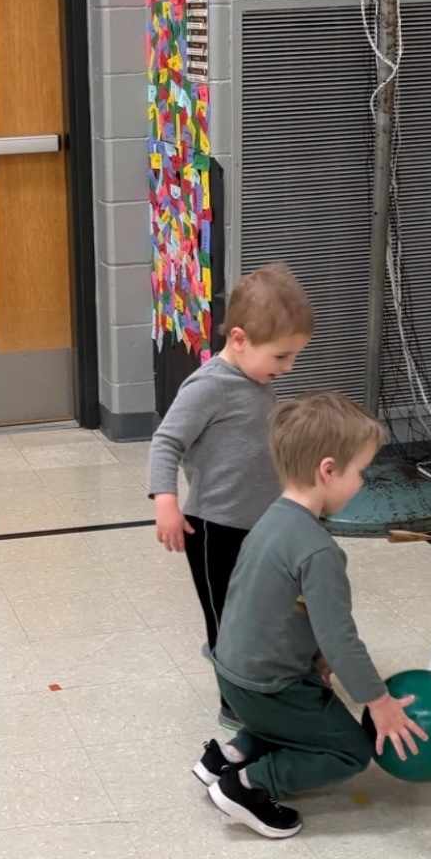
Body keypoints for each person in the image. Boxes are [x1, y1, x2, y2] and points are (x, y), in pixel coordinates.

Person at [191, 390, 427, 838]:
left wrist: (314, 662)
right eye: (360, 471)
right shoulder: (319, 550)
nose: (362, 482)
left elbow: (262, 603)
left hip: (231, 675)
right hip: (267, 689)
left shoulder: (268, 521)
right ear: (328, 470)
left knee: (302, 712)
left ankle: (228, 756)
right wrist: (379, 704)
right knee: (349, 751)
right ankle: (246, 785)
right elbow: (341, 637)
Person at [147, 262, 314, 728]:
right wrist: (165, 501)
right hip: (213, 529)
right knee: (226, 618)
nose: (289, 367)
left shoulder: (256, 380)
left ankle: (262, 670)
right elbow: (167, 441)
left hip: (260, 525)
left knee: (259, 609)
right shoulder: (208, 387)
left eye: (294, 357)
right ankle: (234, 700)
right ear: (239, 339)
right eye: (281, 357)